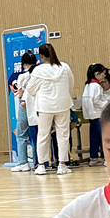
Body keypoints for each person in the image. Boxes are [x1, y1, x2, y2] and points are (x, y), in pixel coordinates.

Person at [29, 43, 76, 176]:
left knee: (43, 135)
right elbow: (70, 85)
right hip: (63, 105)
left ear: (41, 56)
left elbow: (31, 89)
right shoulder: (64, 67)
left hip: (44, 106)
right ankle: (62, 165)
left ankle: (41, 165)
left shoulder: (38, 70)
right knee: (63, 135)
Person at [81, 65, 110, 166]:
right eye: (103, 74)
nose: (104, 76)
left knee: (94, 138)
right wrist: (107, 104)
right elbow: (97, 101)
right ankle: (108, 158)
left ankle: (93, 158)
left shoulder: (88, 86)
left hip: (91, 115)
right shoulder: (97, 86)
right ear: (97, 74)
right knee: (104, 137)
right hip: (99, 115)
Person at [11, 52, 40, 170]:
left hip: (25, 105)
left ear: (24, 64)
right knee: (38, 135)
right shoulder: (39, 74)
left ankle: (23, 162)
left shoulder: (23, 76)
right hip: (39, 106)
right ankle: (39, 162)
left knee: (21, 134)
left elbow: (21, 93)